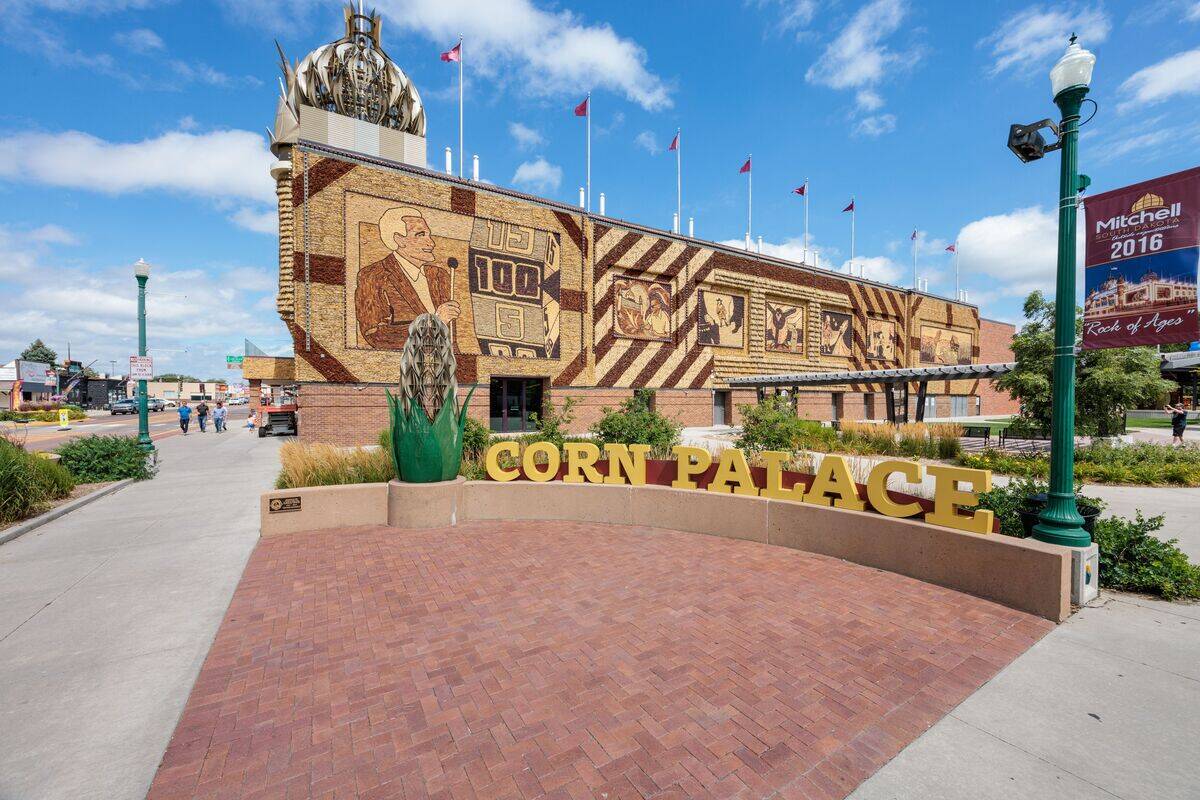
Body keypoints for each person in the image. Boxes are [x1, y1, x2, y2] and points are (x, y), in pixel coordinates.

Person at [355, 206, 459, 349]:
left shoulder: (439, 275)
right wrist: (434, 323)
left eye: (428, 235)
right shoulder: (374, 275)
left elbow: (450, 338)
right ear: (399, 239)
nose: (431, 243)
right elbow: (376, 335)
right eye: (420, 235)